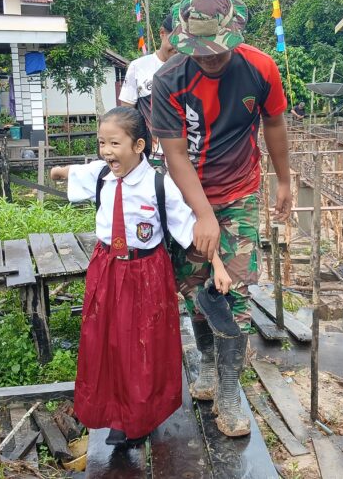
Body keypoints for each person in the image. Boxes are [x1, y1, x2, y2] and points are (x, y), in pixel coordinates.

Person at [152, 0, 292, 437]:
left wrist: (285, 179)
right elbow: (174, 155)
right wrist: (201, 215)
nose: (209, 58)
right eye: (200, 51)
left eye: (217, 50)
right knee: (196, 288)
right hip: (187, 197)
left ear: (235, 33)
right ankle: (208, 365)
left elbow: (273, 121)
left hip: (240, 191)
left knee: (235, 292)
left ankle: (230, 390)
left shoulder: (260, 69)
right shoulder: (169, 80)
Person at [50, 106, 232, 447]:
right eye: (101, 142)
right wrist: (59, 171)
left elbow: (193, 228)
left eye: (114, 143)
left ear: (138, 146)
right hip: (106, 269)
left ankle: (140, 416)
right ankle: (116, 414)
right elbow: (78, 171)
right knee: (106, 342)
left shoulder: (159, 185)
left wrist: (218, 266)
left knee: (143, 346)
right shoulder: (103, 175)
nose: (106, 151)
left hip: (145, 272)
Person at [119, 14, 176, 163]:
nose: (177, 47)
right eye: (174, 40)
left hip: (186, 154)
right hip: (151, 156)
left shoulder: (190, 67)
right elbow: (126, 115)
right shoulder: (138, 67)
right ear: (162, 33)